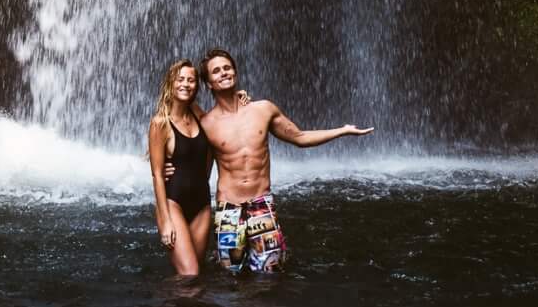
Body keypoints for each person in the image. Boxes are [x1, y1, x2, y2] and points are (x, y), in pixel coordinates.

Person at [197, 46, 372, 275]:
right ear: (209, 83)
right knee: (229, 276)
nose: (224, 73)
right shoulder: (207, 124)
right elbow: (200, 172)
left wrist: (342, 130)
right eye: (216, 71)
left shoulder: (263, 110)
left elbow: (299, 137)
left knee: (270, 274)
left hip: (261, 204)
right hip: (228, 209)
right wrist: (165, 170)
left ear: (236, 73)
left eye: (227, 68)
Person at [148, 58, 214, 276]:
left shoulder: (200, 115)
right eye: (180, 79)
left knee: (195, 274)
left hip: (202, 204)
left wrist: (241, 98)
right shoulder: (160, 123)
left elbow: (225, 120)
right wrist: (165, 221)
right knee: (190, 274)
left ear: (197, 85)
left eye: (191, 80)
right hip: (173, 203)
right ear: (171, 83)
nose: (186, 84)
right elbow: (157, 174)